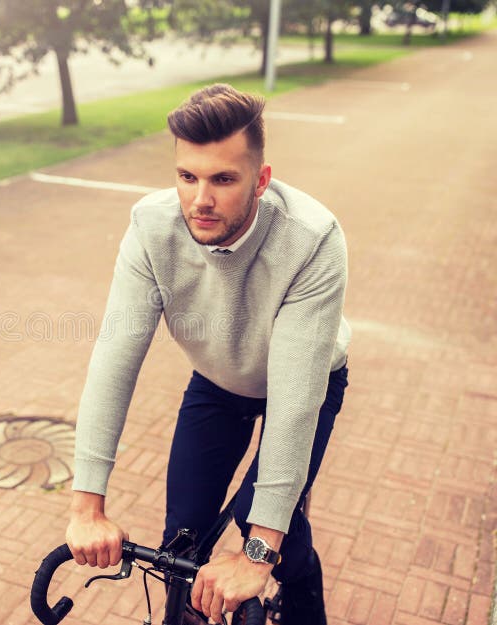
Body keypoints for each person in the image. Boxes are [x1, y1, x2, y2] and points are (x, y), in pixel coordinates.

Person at [65, 83, 350, 625]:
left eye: (223, 179)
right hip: (218, 381)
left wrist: (259, 550)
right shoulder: (152, 228)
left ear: (261, 180)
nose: (201, 199)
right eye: (187, 176)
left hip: (309, 383)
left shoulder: (312, 239)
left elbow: (292, 405)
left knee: (265, 524)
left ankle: (303, 597)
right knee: (185, 530)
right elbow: (114, 361)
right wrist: (86, 508)